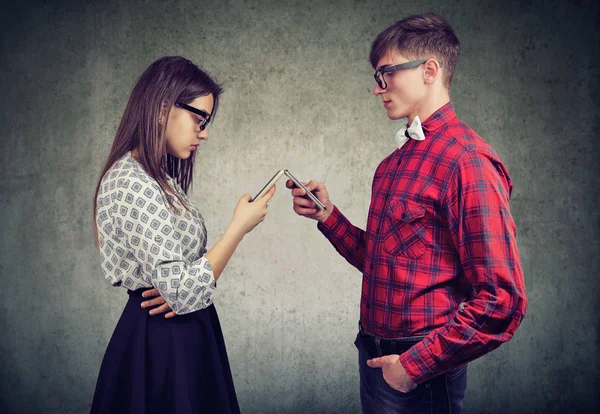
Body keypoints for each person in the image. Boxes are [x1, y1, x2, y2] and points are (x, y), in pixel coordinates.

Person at [287, 13, 528, 414]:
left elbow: (502, 300)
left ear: (429, 70)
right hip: (374, 355)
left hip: (420, 369)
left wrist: (412, 367)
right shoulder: (392, 165)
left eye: (386, 74)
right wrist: (327, 216)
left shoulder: (467, 161)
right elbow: (384, 264)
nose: (376, 88)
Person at [91, 56, 275, 414]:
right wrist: (238, 227)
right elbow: (180, 292)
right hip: (160, 343)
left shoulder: (160, 178)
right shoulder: (131, 181)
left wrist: (181, 288)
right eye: (199, 119)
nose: (204, 133)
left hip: (187, 333)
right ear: (162, 109)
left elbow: (183, 284)